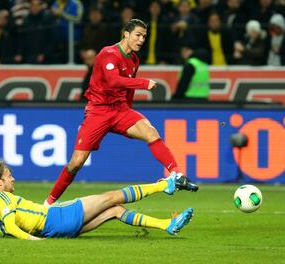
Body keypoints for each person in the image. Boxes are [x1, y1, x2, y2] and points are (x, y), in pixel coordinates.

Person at [45, 18, 198, 205]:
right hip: (98, 111)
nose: (141, 40)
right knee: (76, 162)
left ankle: (176, 174)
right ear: (126, 33)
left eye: (144, 37)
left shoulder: (134, 59)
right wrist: (144, 83)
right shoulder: (108, 53)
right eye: (138, 35)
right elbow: (113, 81)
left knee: (150, 131)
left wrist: (129, 112)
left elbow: (128, 90)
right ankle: (48, 204)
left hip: (120, 110)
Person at [0, 160, 194, 239]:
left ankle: (167, 225)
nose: (13, 179)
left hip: (55, 230)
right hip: (55, 218)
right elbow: (10, 225)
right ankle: (166, 185)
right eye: (8, 177)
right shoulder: (5, 199)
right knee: (111, 197)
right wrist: (31, 241)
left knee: (115, 210)